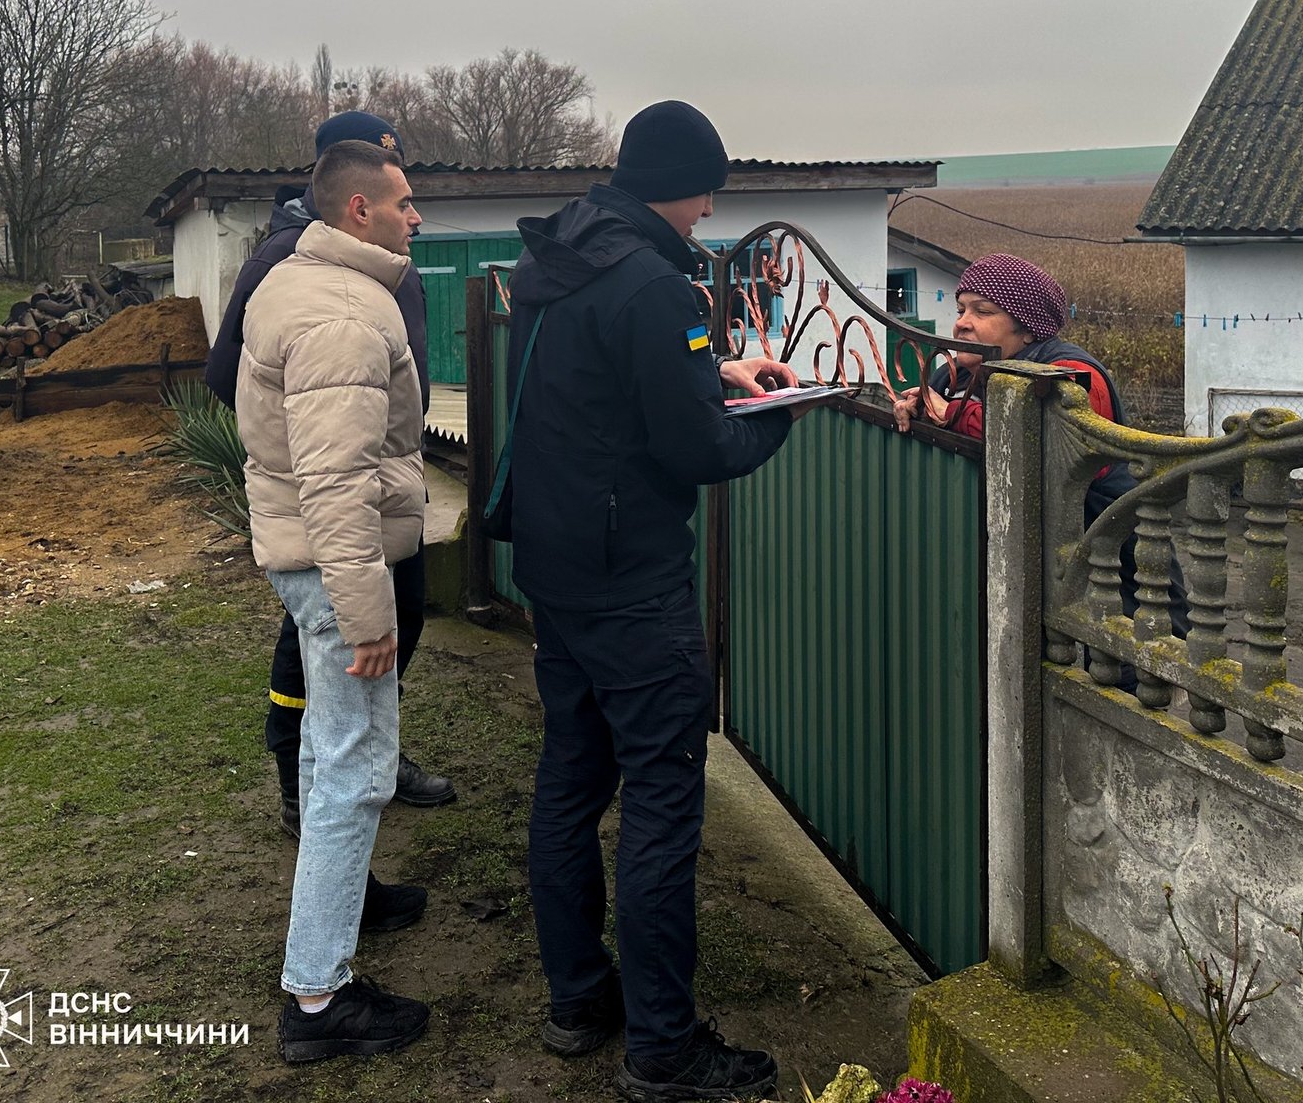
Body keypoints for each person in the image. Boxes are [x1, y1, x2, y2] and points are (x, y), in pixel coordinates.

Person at [507, 100, 821, 1102]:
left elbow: (599, 388)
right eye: (705, 194)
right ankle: (664, 1051)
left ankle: (578, 1001)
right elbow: (699, 449)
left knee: (570, 780)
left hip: (554, 567)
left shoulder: (562, 256)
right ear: (679, 186)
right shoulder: (653, 288)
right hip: (631, 583)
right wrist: (780, 411)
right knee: (659, 803)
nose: (707, 213)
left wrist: (713, 369)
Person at [204, 111, 456, 852]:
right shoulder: (292, 258)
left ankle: (374, 752)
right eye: (393, 186)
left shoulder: (376, 253)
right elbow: (231, 374)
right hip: (334, 496)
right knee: (327, 643)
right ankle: (297, 774)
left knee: (393, 626)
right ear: (348, 192)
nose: (412, 213)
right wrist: (308, 446)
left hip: (379, 486)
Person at [237, 139, 431, 1062]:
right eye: (402, 202)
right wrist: (367, 614)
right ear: (360, 211)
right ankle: (317, 1000)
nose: (415, 215)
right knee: (355, 772)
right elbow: (334, 480)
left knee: (328, 756)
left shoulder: (298, 276)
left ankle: (335, 931)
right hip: (332, 564)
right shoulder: (342, 318)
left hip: (308, 556)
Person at [894, 252, 1189, 642]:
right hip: (1023, 563)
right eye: (962, 308)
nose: (962, 323)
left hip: (1109, 553)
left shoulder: (1072, 374)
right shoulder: (959, 373)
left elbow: (1045, 432)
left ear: (1028, 329)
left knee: (1129, 656)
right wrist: (915, 407)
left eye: (982, 311)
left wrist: (954, 414)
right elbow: (940, 413)